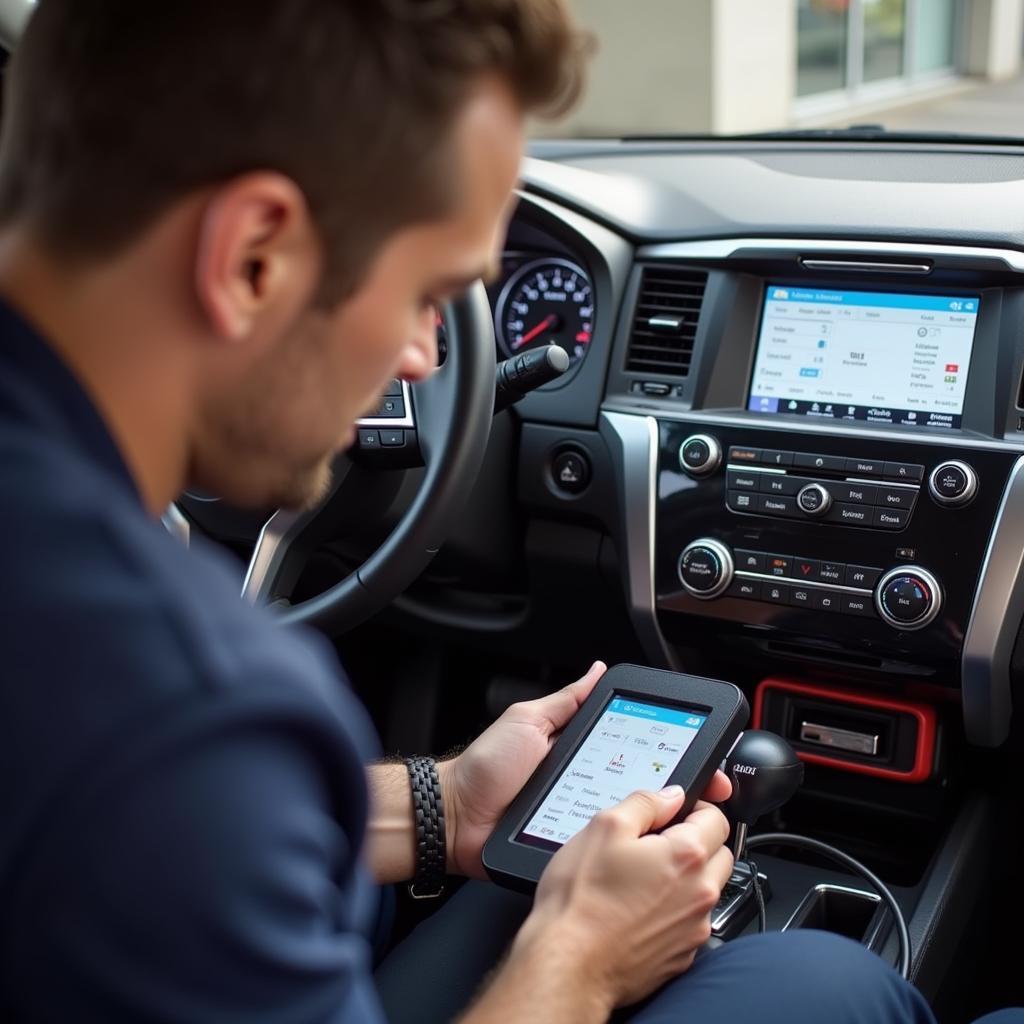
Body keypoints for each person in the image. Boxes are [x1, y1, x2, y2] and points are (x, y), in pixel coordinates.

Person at [0, 2, 977, 1021]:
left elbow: (159, 829)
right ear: (254, 257)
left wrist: (446, 804)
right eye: (430, 291)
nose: (426, 359)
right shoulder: (193, 707)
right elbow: (173, 789)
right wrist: (579, 956)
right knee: (828, 982)